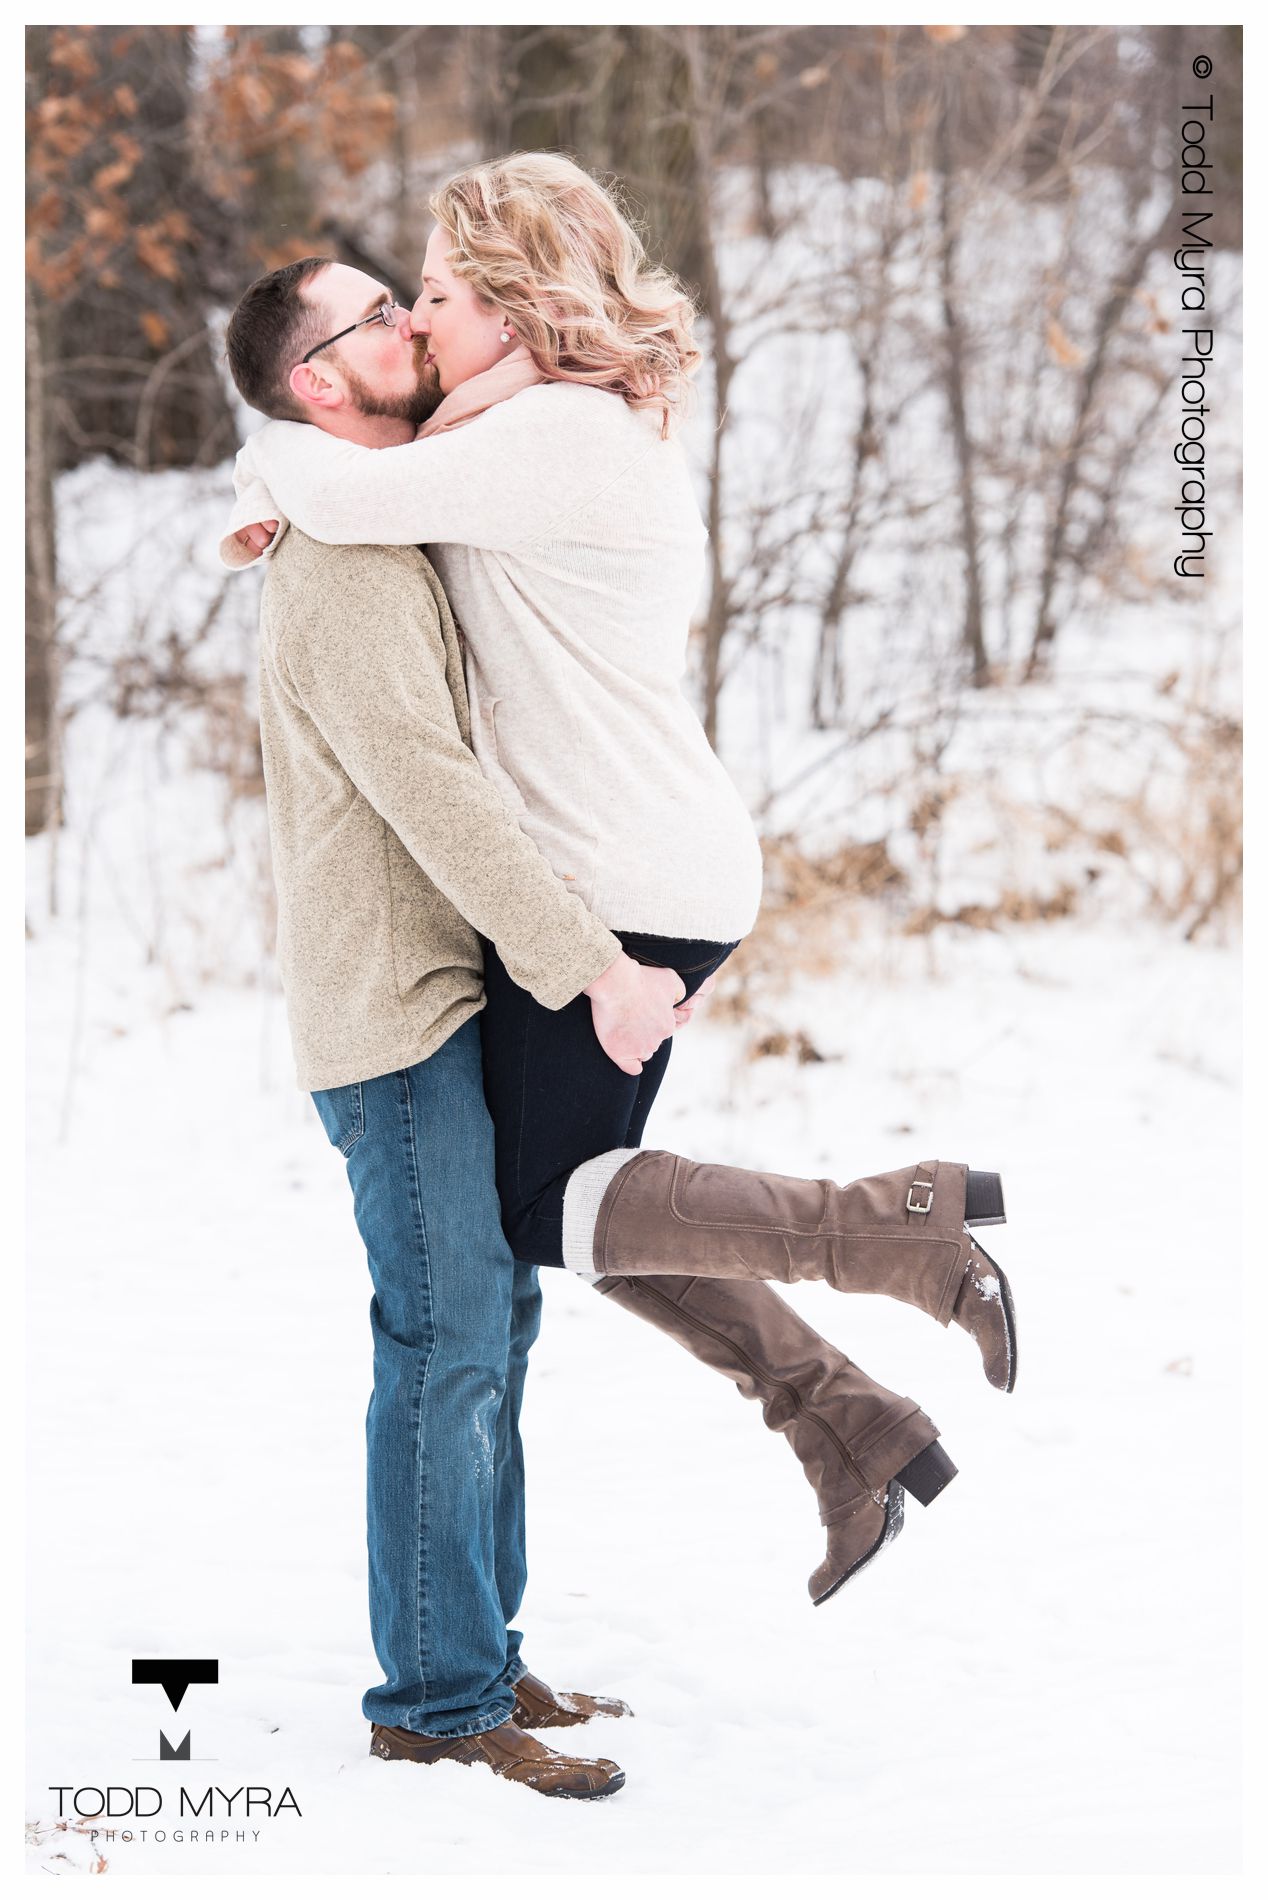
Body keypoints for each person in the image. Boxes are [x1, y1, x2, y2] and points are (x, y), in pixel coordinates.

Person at [222, 155, 1019, 1778]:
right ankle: (836, 1388)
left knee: (534, 1233)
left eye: (432, 291)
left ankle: (875, 1285)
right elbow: (408, 715)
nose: (417, 314)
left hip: (619, 891)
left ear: (512, 305)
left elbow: (356, 490)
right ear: (328, 373)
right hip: (511, 941)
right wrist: (287, 486)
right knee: (521, 1256)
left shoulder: (533, 442)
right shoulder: (444, 482)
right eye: (391, 308)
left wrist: (278, 465)